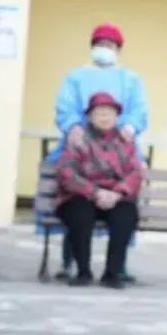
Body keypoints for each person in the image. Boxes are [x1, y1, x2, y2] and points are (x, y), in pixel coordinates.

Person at [52, 23, 149, 280]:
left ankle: (117, 268)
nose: (105, 49)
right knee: (77, 208)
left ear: (118, 49)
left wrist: (130, 126)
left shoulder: (129, 79)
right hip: (82, 144)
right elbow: (65, 107)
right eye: (100, 44)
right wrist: (73, 127)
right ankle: (72, 263)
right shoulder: (75, 77)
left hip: (119, 142)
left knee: (125, 211)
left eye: (110, 45)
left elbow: (140, 110)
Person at [55, 92, 144, 289]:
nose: (105, 117)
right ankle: (83, 271)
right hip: (82, 195)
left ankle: (112, 273)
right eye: (99, 112)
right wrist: (94, 192)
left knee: (126, 215)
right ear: (90, 116)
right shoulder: (79, 138)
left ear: (117, 116)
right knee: (80, 214)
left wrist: (117, 193)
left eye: (109, 112)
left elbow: (135, 173)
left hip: (115, 196)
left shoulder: (125, 141)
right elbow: (66, 173)